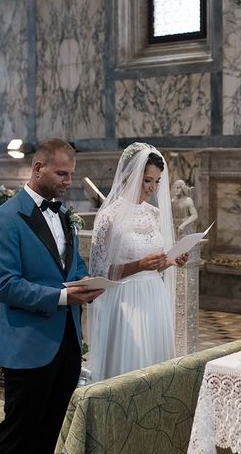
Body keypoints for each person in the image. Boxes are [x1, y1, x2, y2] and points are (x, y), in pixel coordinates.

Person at [0, 138, 105, 454]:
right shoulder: (3, 219)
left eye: (71, 174)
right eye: (62, 174)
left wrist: (86, 284)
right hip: (28, 348)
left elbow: (74, 267)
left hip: (68, 345)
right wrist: (62, 298)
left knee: (50, 433)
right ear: (38, 169)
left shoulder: (66, 216)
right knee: (18, 437)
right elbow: (3, 285)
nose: (69, 182)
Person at [89, 142, 188, 381]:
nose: (152, 188)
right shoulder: (108, 217)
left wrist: (172, 260)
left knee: (155, 366)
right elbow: (98, 274)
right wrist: (139, 265)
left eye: (157, 182)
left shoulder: (154, 215)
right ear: (129, 175)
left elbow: (158, 262)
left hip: (154, 296)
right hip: (125, 301)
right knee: (130, 370)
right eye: (147, 180)